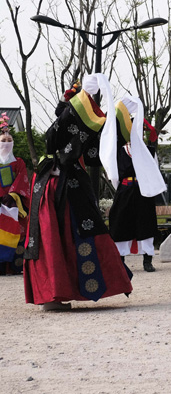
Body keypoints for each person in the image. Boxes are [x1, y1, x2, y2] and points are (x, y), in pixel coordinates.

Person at [23, 76, 133, 311]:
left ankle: (57, 292)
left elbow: (96, 151)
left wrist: (121, 113)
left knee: (71, 236)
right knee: (53, 239)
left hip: (66, 184)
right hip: (55, 187)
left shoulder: (74, 132)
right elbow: (71, 134)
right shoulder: (60, 128)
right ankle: (53, 293)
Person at [108, 96, 166, 273]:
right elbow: (114, 175)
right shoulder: (119, 151)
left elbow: (154, 171)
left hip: (143, 191)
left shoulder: (149, 151)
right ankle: (120, 260)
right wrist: (123, 186)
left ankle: (147, 260)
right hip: (125, 190)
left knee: (146, 224)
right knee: (121, 224)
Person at [0, 113, 30, 275]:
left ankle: (13, 266)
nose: (6, 143)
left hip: (13, 203)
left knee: (15, 233)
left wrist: (12, 195)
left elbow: (22, 179)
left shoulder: (18, 162)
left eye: (9, 141)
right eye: (3, 141)